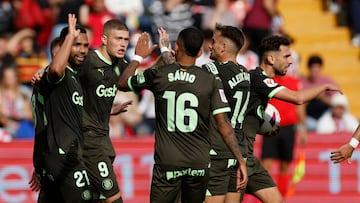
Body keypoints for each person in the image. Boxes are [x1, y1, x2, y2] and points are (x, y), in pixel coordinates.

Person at [117, 26, 248, 203]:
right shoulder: (210, 80)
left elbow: (123, 83)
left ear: (176, 47)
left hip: (168, 162)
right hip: (198, 164)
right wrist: (240, 160)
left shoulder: (159, 74)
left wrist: (138, 57)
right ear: (200, 52)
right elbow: (224, 124)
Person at [242, 35, 341, 203]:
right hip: (236, 153)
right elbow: (298, 98)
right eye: (287, 56)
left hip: (270, 138)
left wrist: (301, 128)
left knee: (279, 191)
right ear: (271, 58)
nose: (290, 61)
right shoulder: (259, 79)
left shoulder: (266, 79)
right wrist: (323, 87)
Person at [31, 14, 92, 202]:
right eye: (76, 44)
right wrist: (69, 37)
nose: (82, 50)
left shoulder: (74, 78)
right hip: (64, 158)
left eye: (85, 45)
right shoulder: (58, 75)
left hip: (52, 157)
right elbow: (56, 69)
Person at [202, 24, 250, 203]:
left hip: (218, 150)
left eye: (213, 42)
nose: (209, 45)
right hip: (240, 150)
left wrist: (166, 50)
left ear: (223, 47)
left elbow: (180, 76)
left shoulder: (211, 70)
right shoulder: (245, 73)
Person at [260, 74, 307, 197]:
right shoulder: (269, 80)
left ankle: (281, 197)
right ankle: (263, 198)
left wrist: (302, 128)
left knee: (285, 165)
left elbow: (299, 106)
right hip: (270, 126)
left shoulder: (295, 82)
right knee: (266, 165)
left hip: (288, 127)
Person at [300, 54, 339, 131]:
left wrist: (321, 96)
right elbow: (299, 105)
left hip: (325, 116)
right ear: (309, 68)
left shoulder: (328, 82)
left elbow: (336, 102)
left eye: (317, 68)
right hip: (309, 117)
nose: (315, 71)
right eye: (313, 68)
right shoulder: (302, 82)